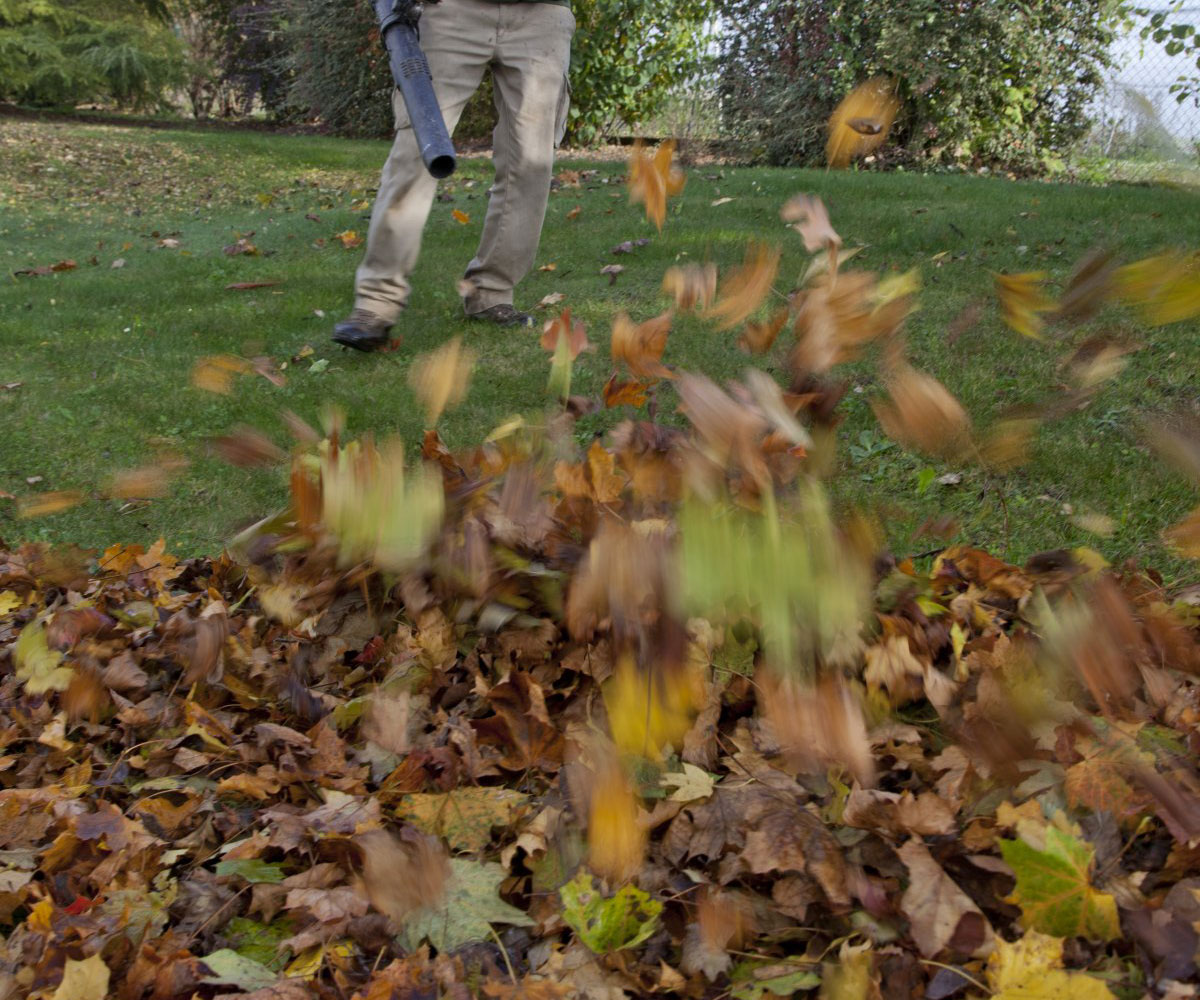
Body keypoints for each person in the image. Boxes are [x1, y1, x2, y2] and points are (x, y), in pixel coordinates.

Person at [333, 0, 575, 351]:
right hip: (452, 10)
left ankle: (491, 293)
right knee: (415, 153)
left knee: (529, 164)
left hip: (542, 16)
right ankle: (375, 305)